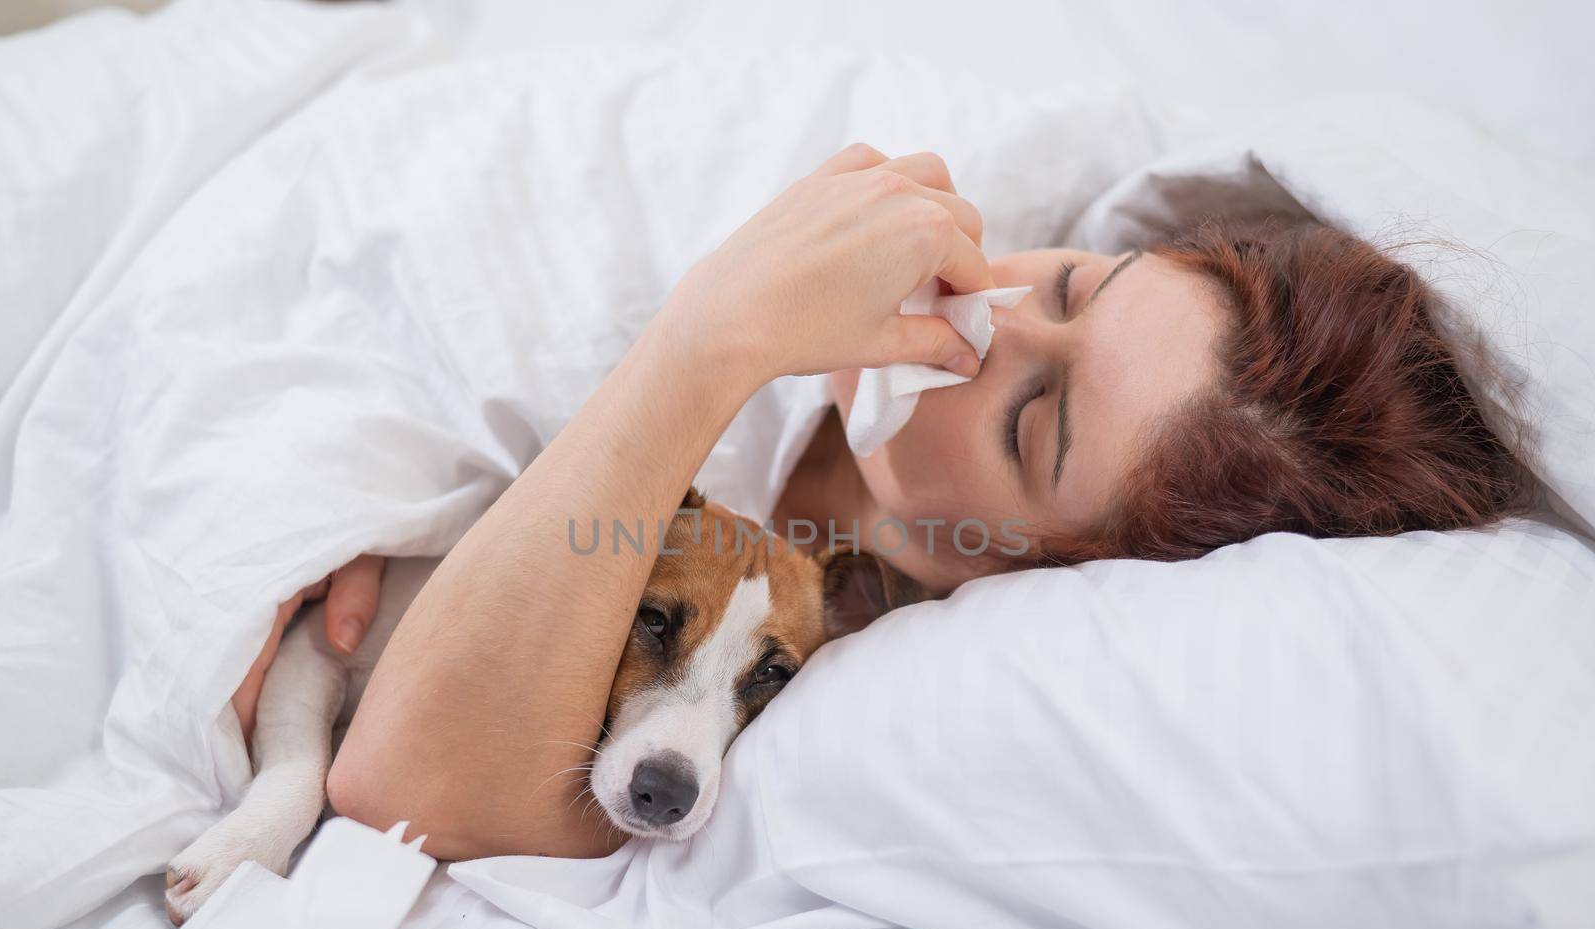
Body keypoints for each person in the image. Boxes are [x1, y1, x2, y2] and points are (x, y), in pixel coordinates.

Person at [232, 143, 1525, 859]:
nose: (987, 319)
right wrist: (350, 496)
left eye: (1031, 421)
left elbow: (409, 781)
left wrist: (710, 343)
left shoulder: (877, 652)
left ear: (1033, 564)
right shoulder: (968, 176)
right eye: (1075, 288)